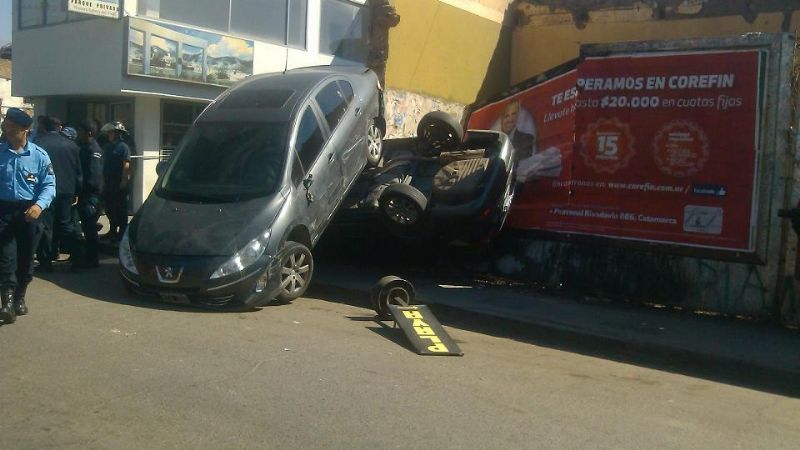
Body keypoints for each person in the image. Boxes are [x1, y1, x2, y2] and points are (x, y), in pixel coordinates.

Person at [0, 108, 55, 324]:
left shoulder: (39, 156)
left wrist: (39, 206)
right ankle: (7, 302)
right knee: (6, 258)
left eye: (12, 125)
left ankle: (20, 296)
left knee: (25, 258)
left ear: (25, 129)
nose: (7, 128)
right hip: (3, 211)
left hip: (29, 213)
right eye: (6, 124)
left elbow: (49, 185)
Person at [34, 116, 83, 270]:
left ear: (44, 127)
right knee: (66, 224)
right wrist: (76, 192)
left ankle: (46, 262)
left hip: (44, 192)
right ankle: (77, 258)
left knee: (45, 226)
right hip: (66, 191)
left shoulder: (38, 144)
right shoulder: (72, 145)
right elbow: (78, 173)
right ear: (59, 127)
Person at [75, 121, 103, 268]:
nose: (78, 134)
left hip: (89, 195)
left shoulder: (93, 150)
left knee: (90, 228)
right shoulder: (84, 147)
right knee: (87, 227)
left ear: (89, 133)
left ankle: (92, 260)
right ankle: (89, 257)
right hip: (85, 193)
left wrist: (87, 192)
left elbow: (94, 175)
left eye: (80, 131)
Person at [101, 121, 131, 242]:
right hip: (108, 182)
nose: (109, 135)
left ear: (117, 133)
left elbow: (126, 165)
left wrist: (124, 181)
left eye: (111, 133)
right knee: (110, 208)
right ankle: (113, 230)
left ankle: (122, 233)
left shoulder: (123, 147)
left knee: (121, 209)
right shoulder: (108, 147)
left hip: (118, 182)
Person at [496, 99, 536, 163]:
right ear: (501, 120)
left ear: (518, 117)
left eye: (513, 114)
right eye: (506, 116)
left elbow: (522, 165)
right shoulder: (495, 144)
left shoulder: (526, 139)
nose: (510, 119)